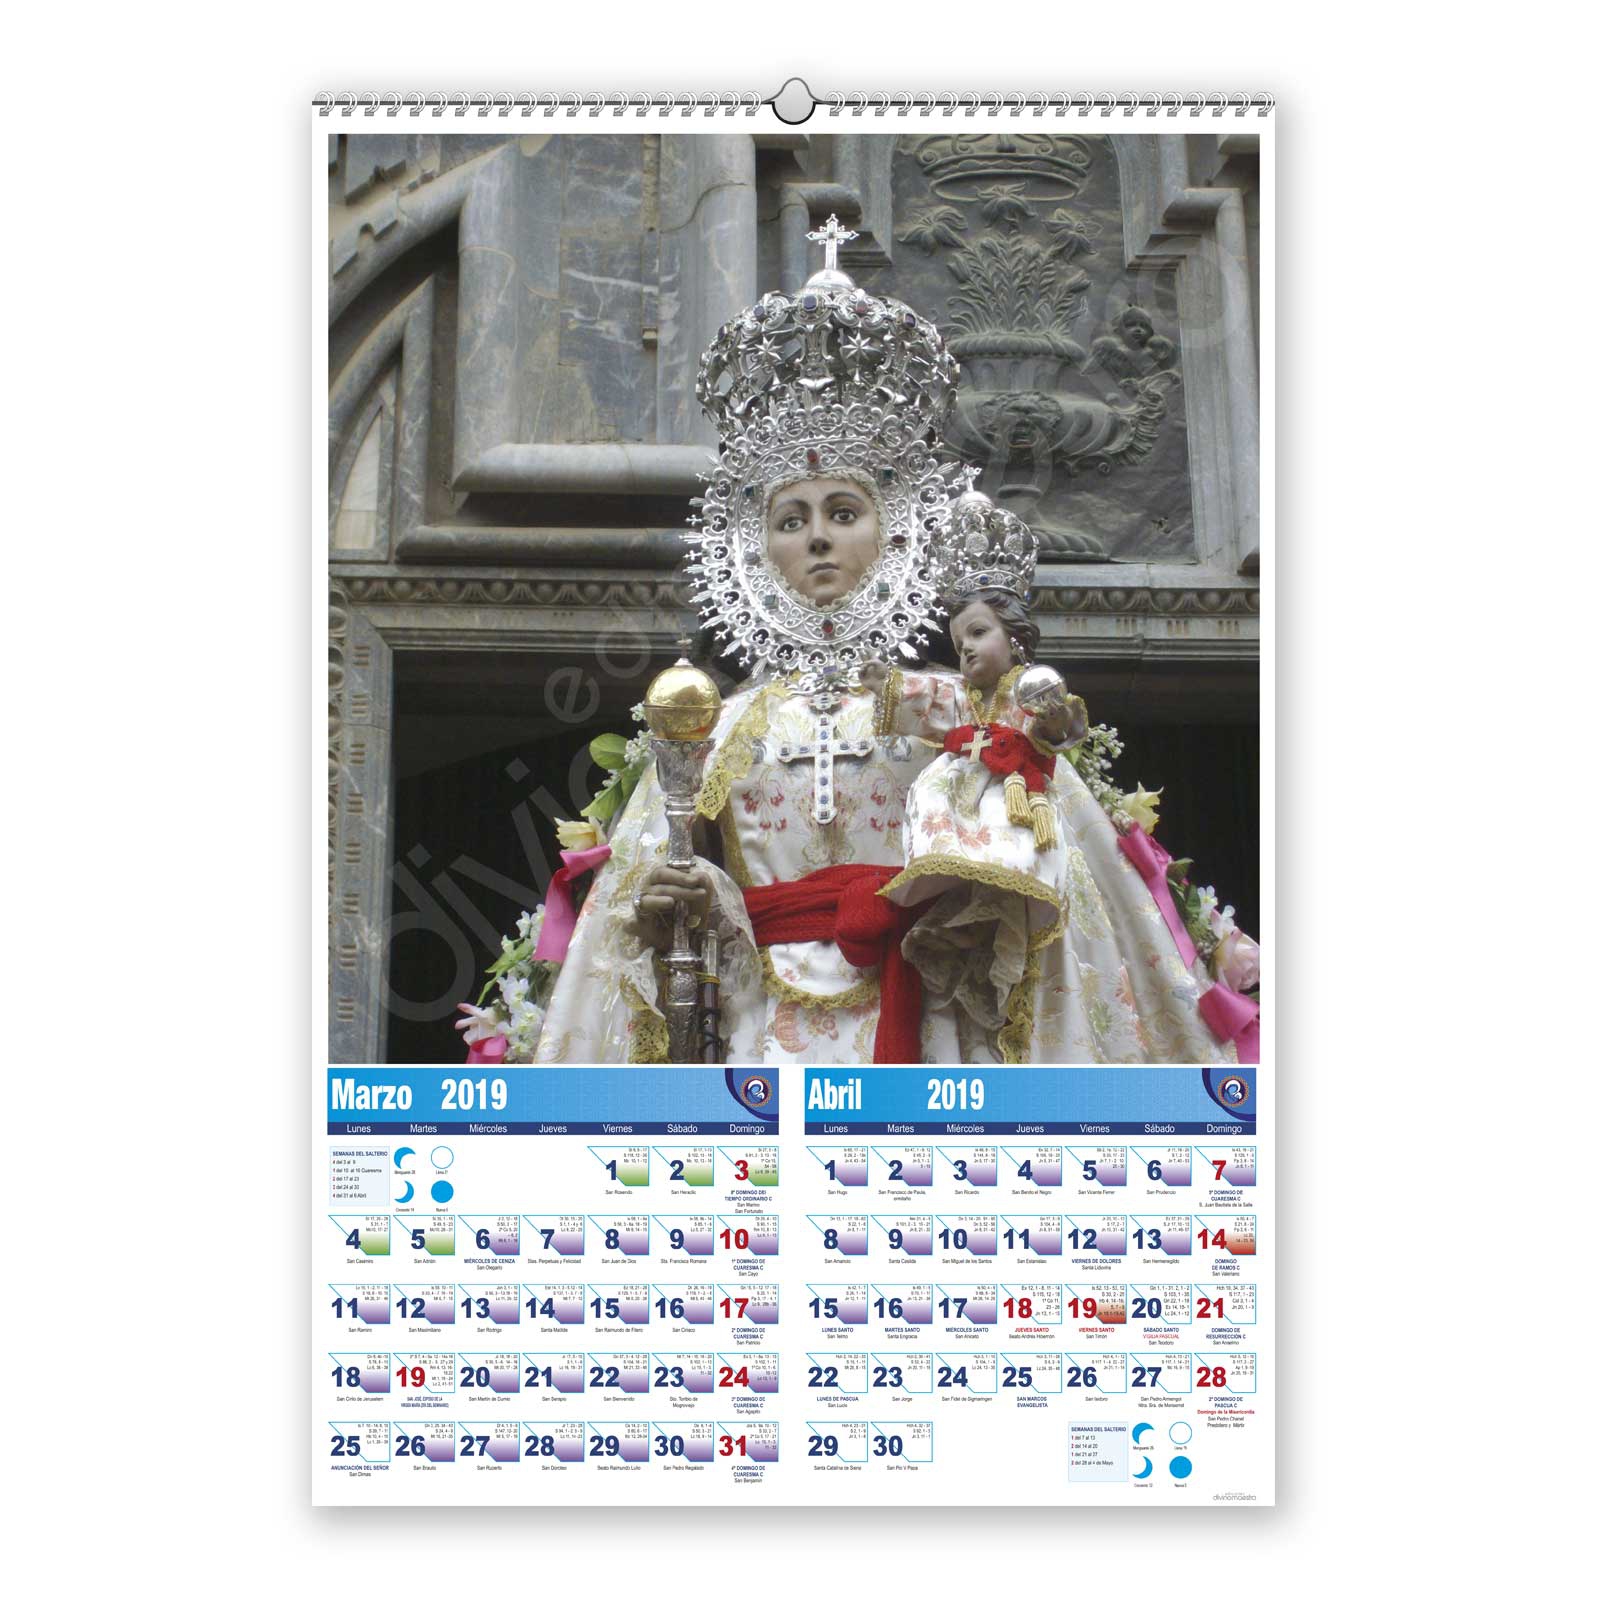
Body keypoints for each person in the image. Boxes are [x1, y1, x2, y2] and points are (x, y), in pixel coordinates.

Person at [526, 218, 1249, 1065]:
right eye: (791, 520)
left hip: (933, 1014)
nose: (817, 537)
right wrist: (677, 900)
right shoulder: (716, 730)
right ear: (755, 549)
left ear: (895, 530)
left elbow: (1063, 884)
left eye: (843, 512)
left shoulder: (956, 712)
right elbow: (651, 918)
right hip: (760, 1035)